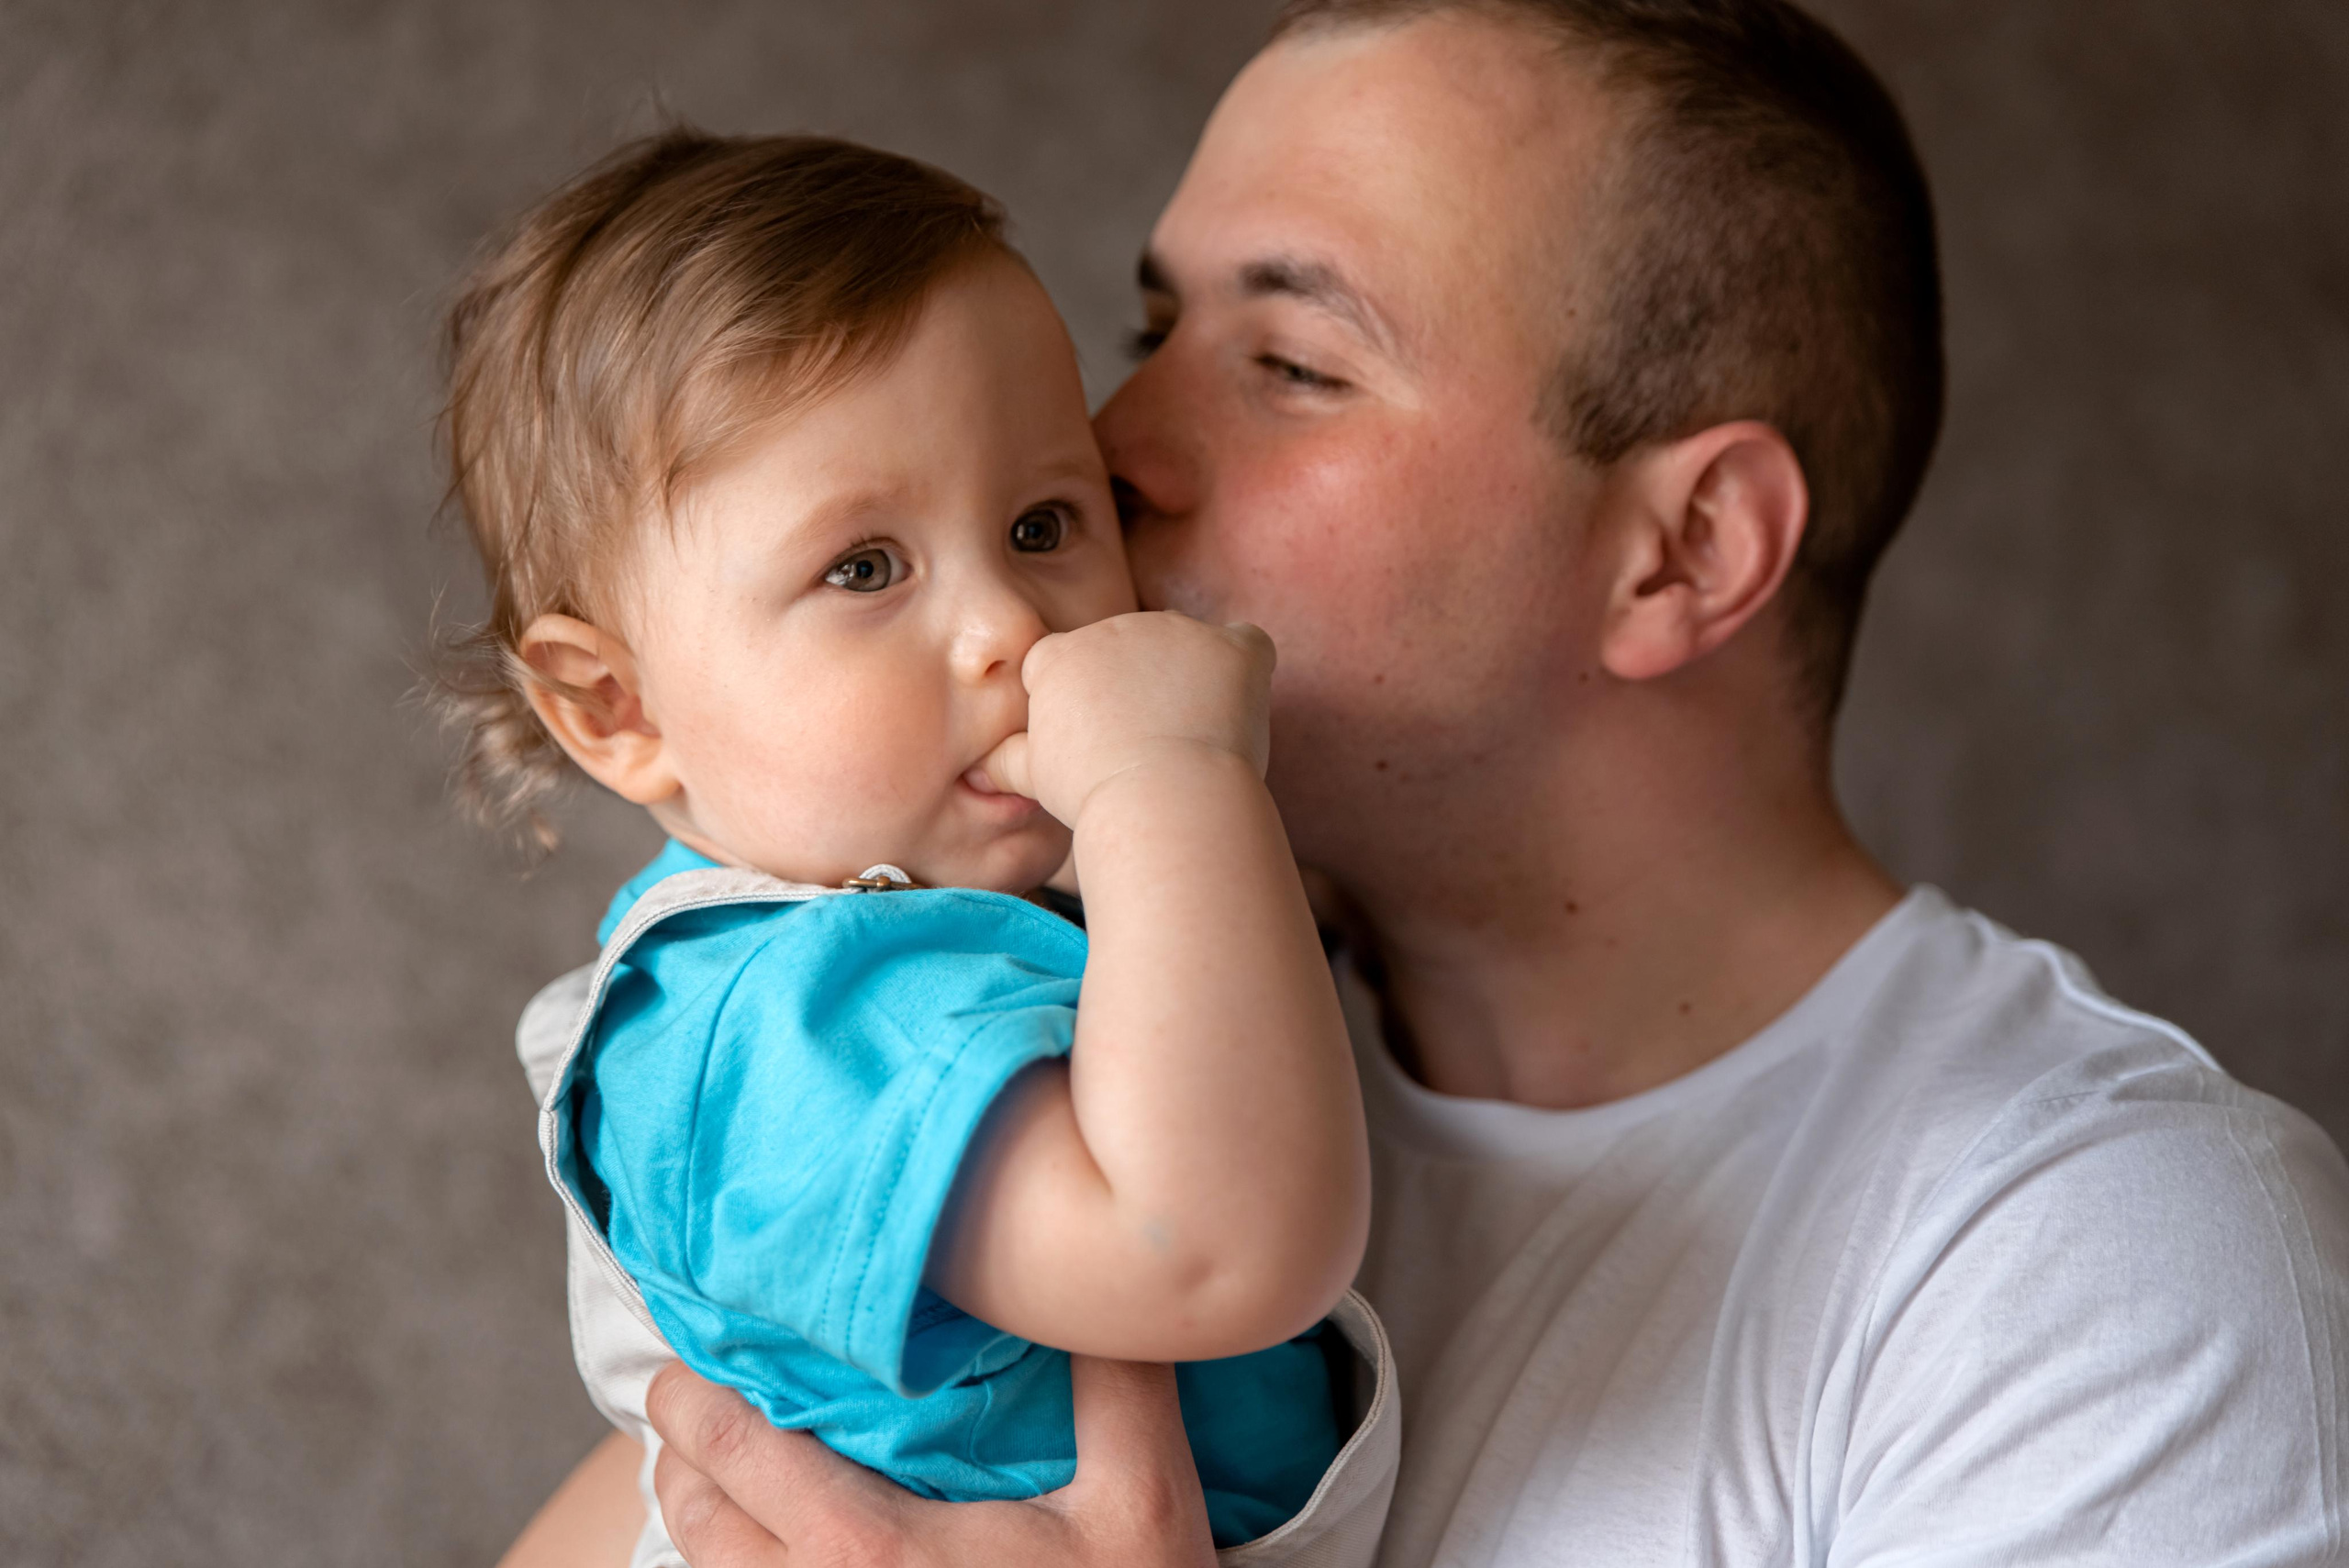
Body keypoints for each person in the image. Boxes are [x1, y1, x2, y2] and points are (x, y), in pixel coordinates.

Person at [502, 3, 2349, 1565]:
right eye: (1151, 334)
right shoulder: (1029, 1015)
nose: (1113, 450)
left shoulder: (2090, 1258)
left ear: (1680, 554)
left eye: (1291, 364)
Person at [439, 132, 1405, 1567]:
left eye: (1040, 521)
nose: (1013, 625)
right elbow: (1213, 1247)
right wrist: (1172, 783)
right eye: (865, 568)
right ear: (618, 706)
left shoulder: (971, 910)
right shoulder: (777, 1023)